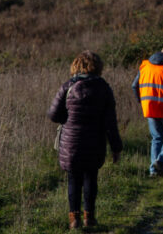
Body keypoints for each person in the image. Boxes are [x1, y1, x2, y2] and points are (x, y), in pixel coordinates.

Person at [48, 50, 122, 230]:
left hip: (71, 143)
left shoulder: (68, 86)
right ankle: (90, 217)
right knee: (91, 178)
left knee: (74, 179)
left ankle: (74, 219)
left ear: (76, 66)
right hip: (95, 141)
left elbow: (53, 115)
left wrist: (69, 117)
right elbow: (110, 122)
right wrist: (116, 147)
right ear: (98, 67)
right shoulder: (104, 88)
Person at [132, 44, 163, 177]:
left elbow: (134, 85)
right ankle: (160, 161)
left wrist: (142, 101)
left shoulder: (145, 66)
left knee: (156, 138)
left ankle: (154, 171)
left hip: (149, 106)